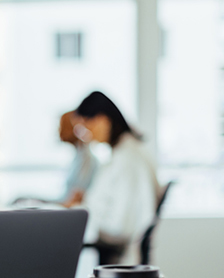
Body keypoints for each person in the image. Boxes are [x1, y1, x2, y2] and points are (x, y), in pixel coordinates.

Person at [66, 91, 159, 264]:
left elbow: (119, 226)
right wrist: (83, 203)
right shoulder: (123, 154)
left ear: (103, 120)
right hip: (112, 251)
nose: (85, 135)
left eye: (85, 126)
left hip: (119, 258)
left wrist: (78, 213)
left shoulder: (128, 160)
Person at [59, 110, 99, 207]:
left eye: (62, 126)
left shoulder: (86, 159)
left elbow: (75, 200)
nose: (58, 131)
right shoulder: (78, 156)